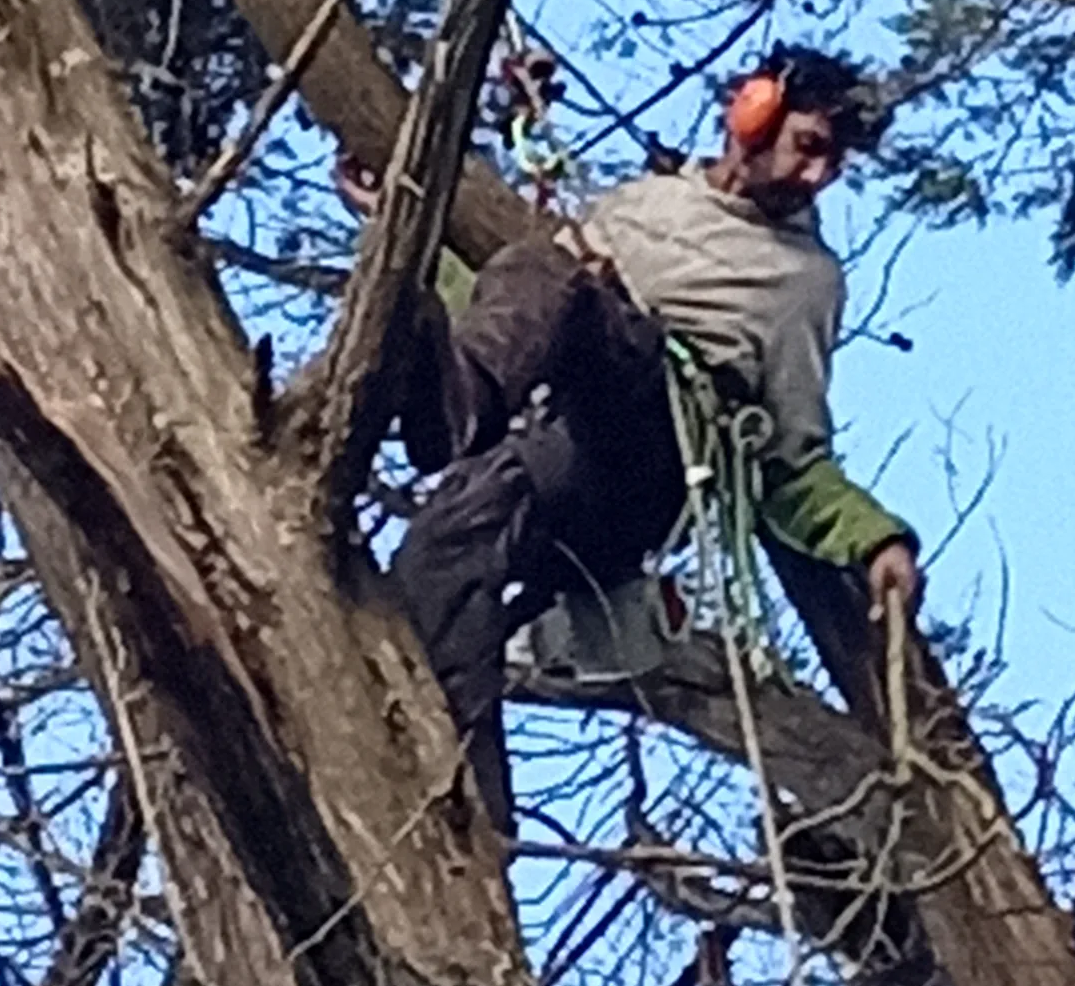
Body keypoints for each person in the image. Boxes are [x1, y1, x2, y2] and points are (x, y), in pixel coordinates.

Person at [378, 45, 920, 834]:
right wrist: (411, 249)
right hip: (550, 451)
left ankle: (456, 414)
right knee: (438, 559)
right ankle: (475, 816)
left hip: (649, 454)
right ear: (754, 115)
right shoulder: (645, 204)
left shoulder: (804, 280)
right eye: (809, 146)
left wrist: (874, 540)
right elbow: (516, 314)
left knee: (568, 280)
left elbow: (791, 456)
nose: (816, 177)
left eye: (832, 164)